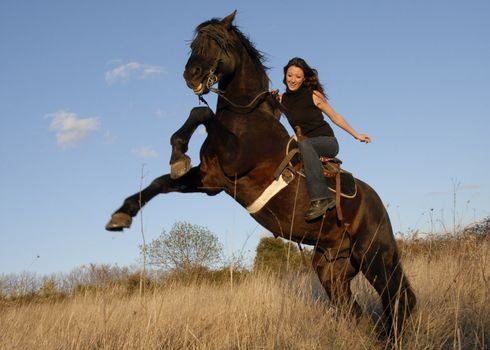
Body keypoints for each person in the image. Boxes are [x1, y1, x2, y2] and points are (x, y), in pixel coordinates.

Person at [279, 57, 371, 221]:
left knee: (305, 144)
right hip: (305, 146)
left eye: (298, 77)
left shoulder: (314, 95)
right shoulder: (282, 100)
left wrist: (356, 134)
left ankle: (322, 198)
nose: (293, 80)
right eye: (290, 75)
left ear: (304, 79)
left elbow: (335, 116)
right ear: (285, 75)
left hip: (327, 142)